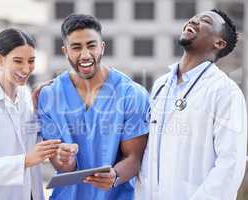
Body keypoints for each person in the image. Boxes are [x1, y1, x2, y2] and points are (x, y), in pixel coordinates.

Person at [135, 9, 247, 200]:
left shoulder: (226, 91)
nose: (193, 21)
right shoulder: (161, 85)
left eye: (205, 21)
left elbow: (231, 164)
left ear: (219, 43)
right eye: (193, 18)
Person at [37, 14, 149, 200]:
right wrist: (65, 159)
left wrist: (114, 176)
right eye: (76, 47)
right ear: (65, 51)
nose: (85, 55)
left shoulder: (131, 94)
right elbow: (60, 166)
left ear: (102, 47)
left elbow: (134, 159)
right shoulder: (49, 96)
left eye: (91, 45)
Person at [0, 28, 61, 200]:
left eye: (31, 61)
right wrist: (25, 161)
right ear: (0, 59)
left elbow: (29, 143)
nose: (26, 68)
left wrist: (57, 146)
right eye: (18, 61)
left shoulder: (24, 95)